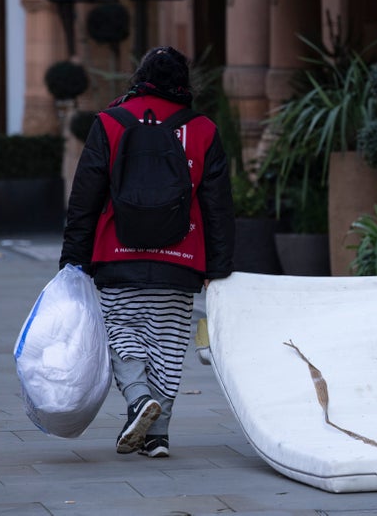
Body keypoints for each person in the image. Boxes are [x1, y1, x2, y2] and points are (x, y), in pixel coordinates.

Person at [60, 46, 234, 458]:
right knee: (169, 344)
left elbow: (85, 195)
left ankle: (138, 401)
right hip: (182, 254)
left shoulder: (110, 121)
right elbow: (218, 203)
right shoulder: (203, 129)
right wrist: (220, 265)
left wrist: (73, 258)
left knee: (121, 334)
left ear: (140, 76)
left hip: (118, 252)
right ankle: (158, 436)